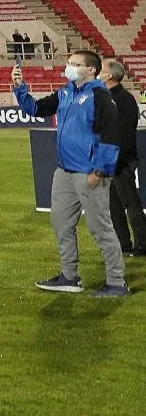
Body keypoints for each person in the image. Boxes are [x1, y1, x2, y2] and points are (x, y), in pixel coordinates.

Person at [15, 52, 128, 295]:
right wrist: (19, 89)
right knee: (61, 224)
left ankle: (117, 282)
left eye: (76, 65)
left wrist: (100, 170)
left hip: (89, 173)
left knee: (100, 228)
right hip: (64, 172)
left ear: (92, 71)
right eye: (69, 63)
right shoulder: (65, 93)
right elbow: (36, 109)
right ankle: (69, 277)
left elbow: (111, 136)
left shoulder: (100, 95)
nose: (69, 67)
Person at [100, 61, 146, 255]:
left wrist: (115, 160)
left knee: (130, 202)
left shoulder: (124, 99)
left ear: (110, 76)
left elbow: (125, 135)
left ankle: (142, 244)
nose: (98, 73)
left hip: (121, 160)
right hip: (110, 160)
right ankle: (123, 244)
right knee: (114, 204)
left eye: (102, 71)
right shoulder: (108, 97)